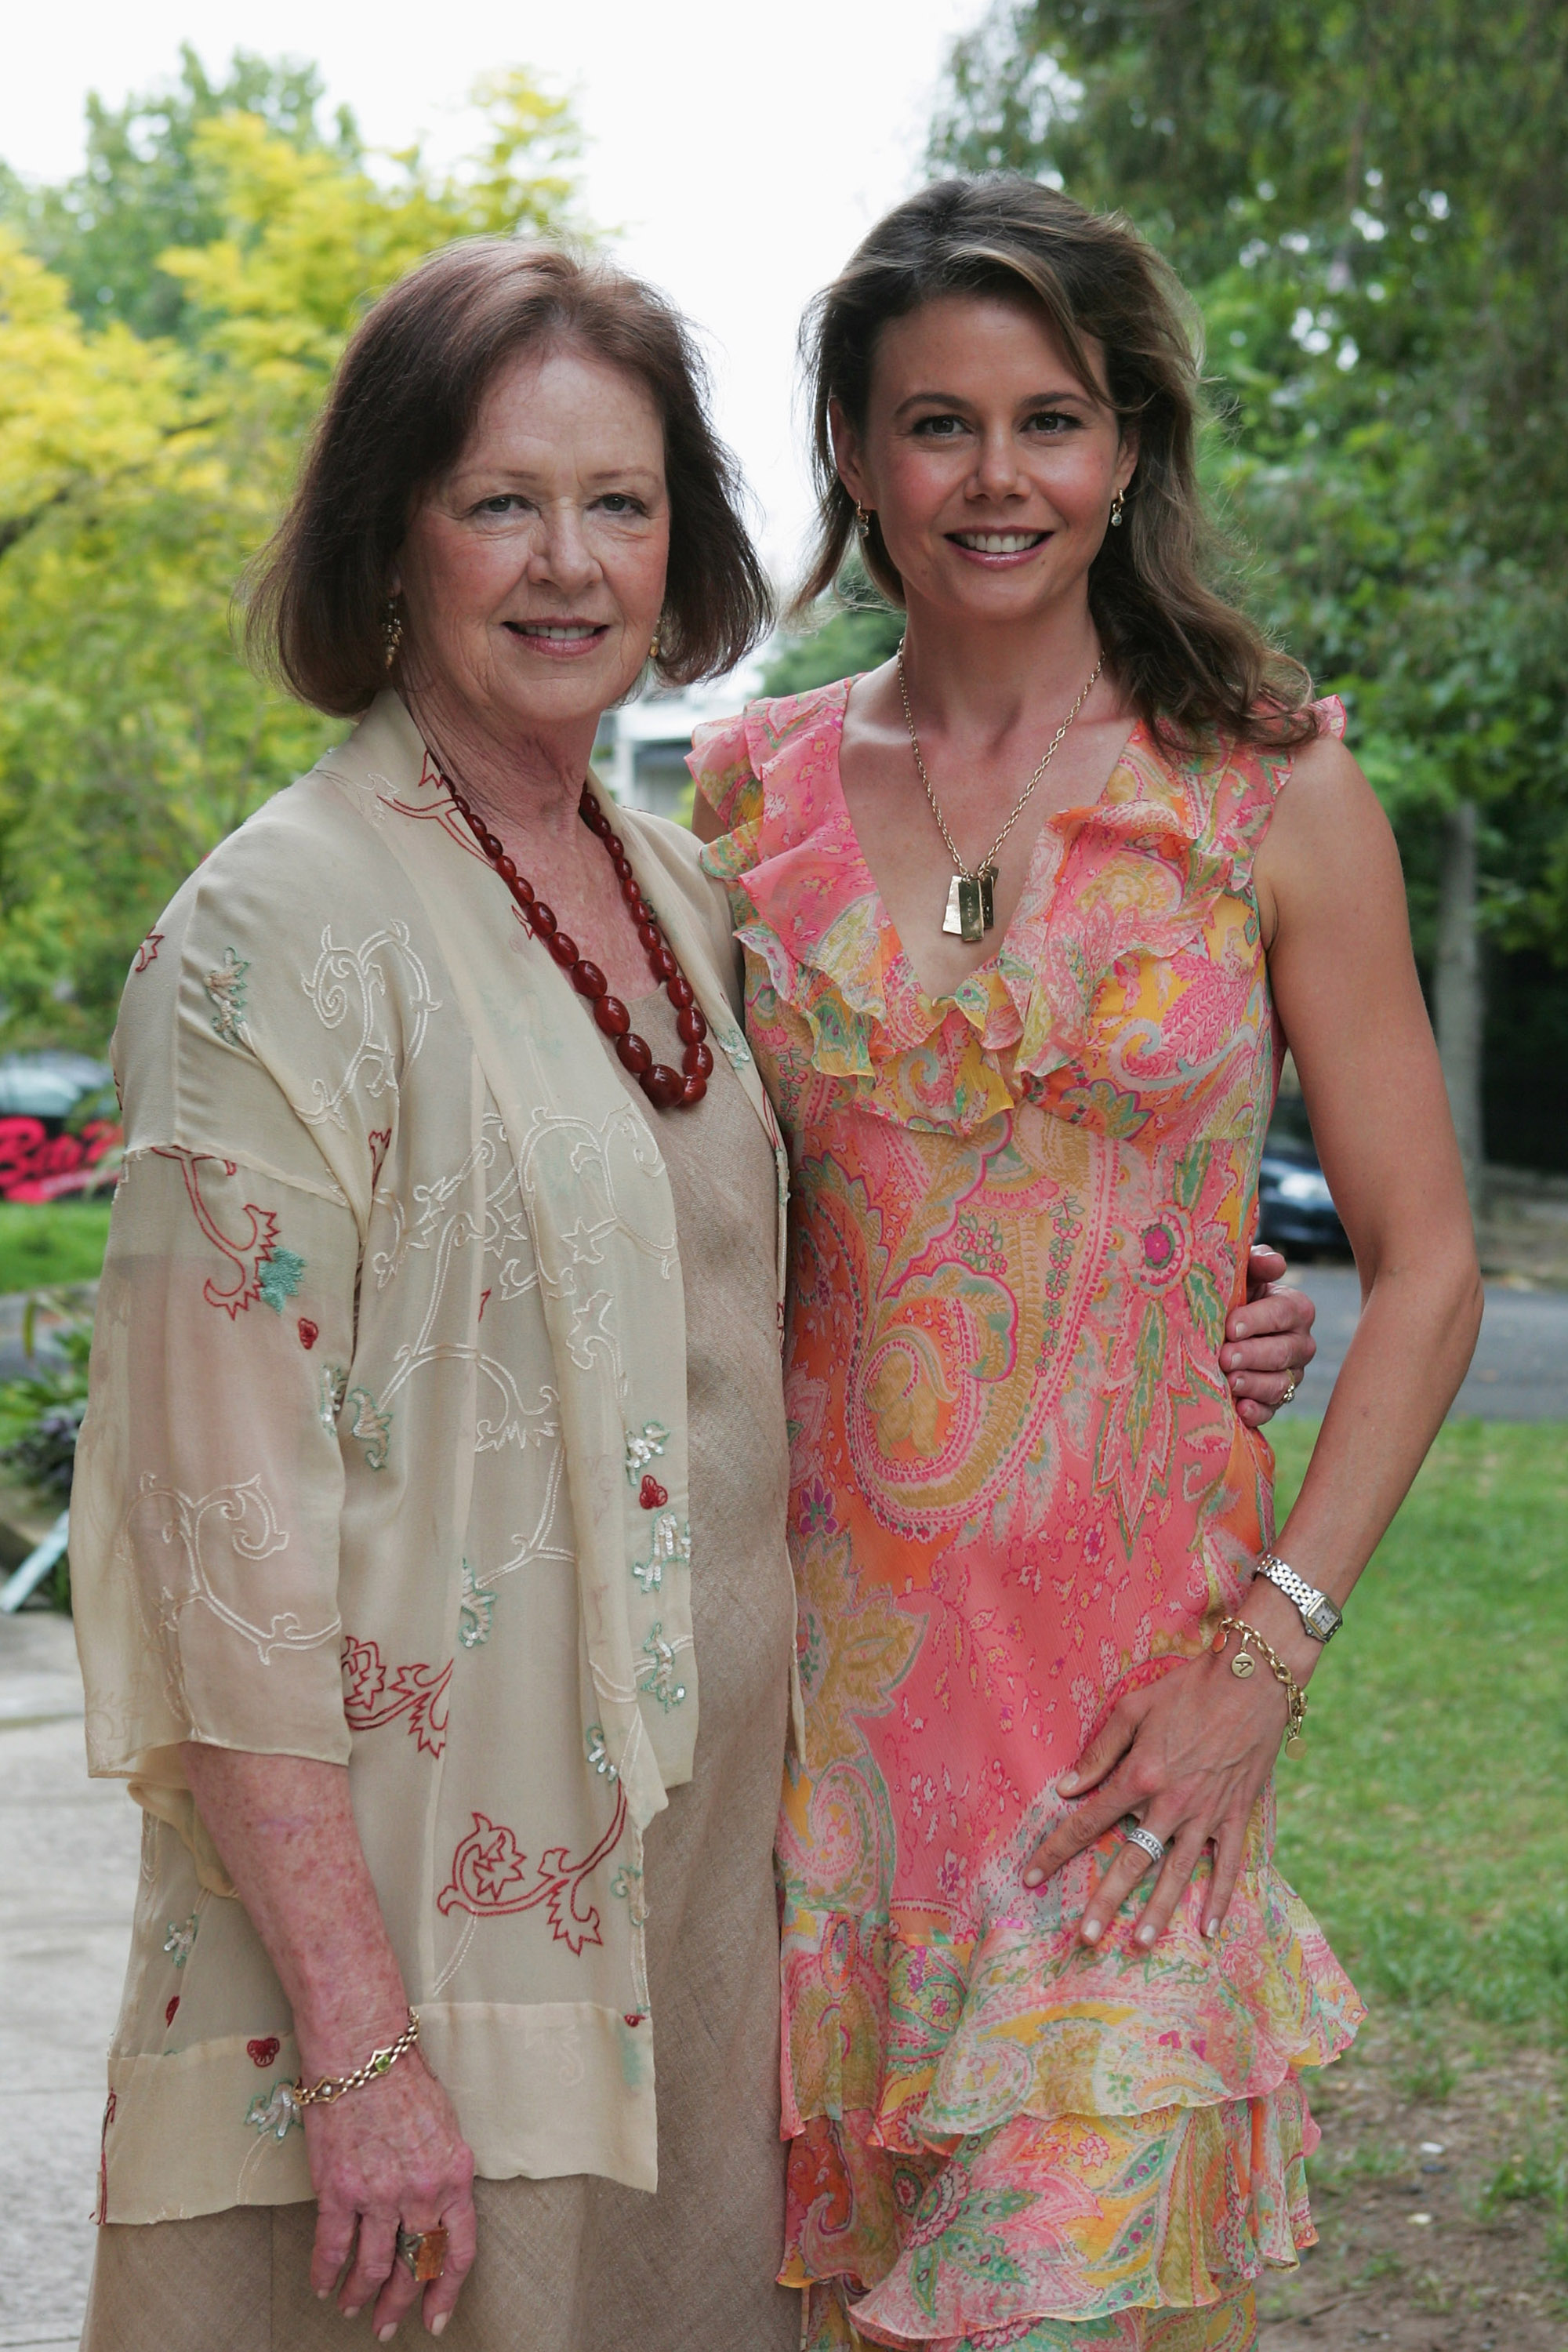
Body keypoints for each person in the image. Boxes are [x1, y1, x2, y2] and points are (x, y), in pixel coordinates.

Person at [70, 233, 1312, 2350]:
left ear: (684, 542)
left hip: (698, 1940)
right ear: (391, 538)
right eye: (500, 502)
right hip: (416, 1957)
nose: (567, 564)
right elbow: (211, 1541)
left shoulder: (671, 879)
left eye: (619, 503)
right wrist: (361, 2051)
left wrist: (1177, 1298)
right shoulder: (280, 928)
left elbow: (860, 1224)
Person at [690, 178, 1481, 2352]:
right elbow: (681, 1238)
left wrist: (1274, 1649)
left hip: (1138, 1749)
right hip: (817, 1767)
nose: (997, 476)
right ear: (850, 451)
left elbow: (1425, 1268)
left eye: (1052, 417)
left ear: (1129, 445)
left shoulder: (1267, 788)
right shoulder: (743, 807)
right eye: (935, 424)